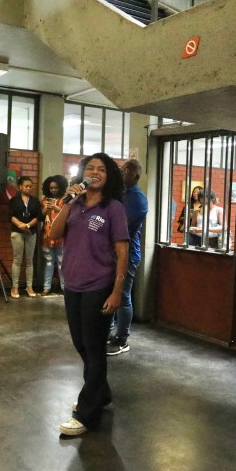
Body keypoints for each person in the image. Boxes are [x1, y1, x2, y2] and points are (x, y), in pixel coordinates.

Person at [48, 153, 129, 437]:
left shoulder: (113, 208)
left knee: (94, 348)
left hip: (99, 285)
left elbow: (122, 252)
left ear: (109, 176)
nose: (95, 173)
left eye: (101, 169)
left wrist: (117, 291)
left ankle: (87, 413)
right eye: (90, 168)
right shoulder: (76, 205)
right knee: (81, 344)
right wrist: (68, 202)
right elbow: (54, 233)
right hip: (73, 285)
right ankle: (101, 393)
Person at [108, 159, 148, 356]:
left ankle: (122, 338)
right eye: (122, 169)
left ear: (136, 176)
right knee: (109, 293)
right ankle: (108, 332)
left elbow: (121, 226)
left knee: (123, 296)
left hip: (128, 255)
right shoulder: (120, 193)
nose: (122, 172)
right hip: (110, 253)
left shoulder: (138, 199)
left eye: (126, 170)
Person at [8, 176, 42, 299]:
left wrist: (27, 225)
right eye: (26, 186)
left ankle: (29, 286)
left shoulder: (35, 201)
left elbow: (38, 217)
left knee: (29, 260)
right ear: (20, 187)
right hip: (17, 232)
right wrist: (20, 225)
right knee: (17, 260)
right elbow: (10, 215)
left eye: (30, 186)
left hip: (31, 232)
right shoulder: (14, 200)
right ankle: (15, 287)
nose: (28, 188)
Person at [40, 175, 68, 296]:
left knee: (62, 262)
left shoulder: (65, 200)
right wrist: (46, 208)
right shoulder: (45, 200)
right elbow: (40, 216)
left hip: (61, 236)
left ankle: (64, 288)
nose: (53, 190)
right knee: (49, 262)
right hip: (47, 236)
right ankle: (46, 287)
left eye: (55, 188)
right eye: (51, 188)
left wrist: (56, 207)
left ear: (61, 187)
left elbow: (67, 216)